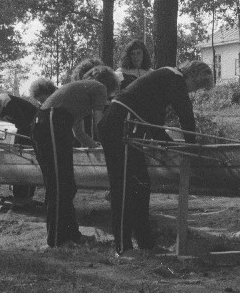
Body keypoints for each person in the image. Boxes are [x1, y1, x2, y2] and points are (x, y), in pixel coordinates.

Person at [98, 60, 215, 255]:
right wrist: (192, 143)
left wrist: (169, 143)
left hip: (130, 124)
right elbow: (185, 113)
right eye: (196, 86)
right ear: (192, 75)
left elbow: (154, 121)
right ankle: (123, 247)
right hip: (121, 124)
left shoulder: (164, 80)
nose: (192, 91)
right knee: (124, 188)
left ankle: (145, 243)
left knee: (141, 185)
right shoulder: (173, 78)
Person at [32, 66, 119, 248]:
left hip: (54, 123)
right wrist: (111, 146)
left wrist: (96, 147)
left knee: (67, 185)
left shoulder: (79, 95)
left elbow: (79, 133)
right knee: (58, 185)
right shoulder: (99, 88)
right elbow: (100, 122)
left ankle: (72, 235)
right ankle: (56, 240)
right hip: (51, 122)